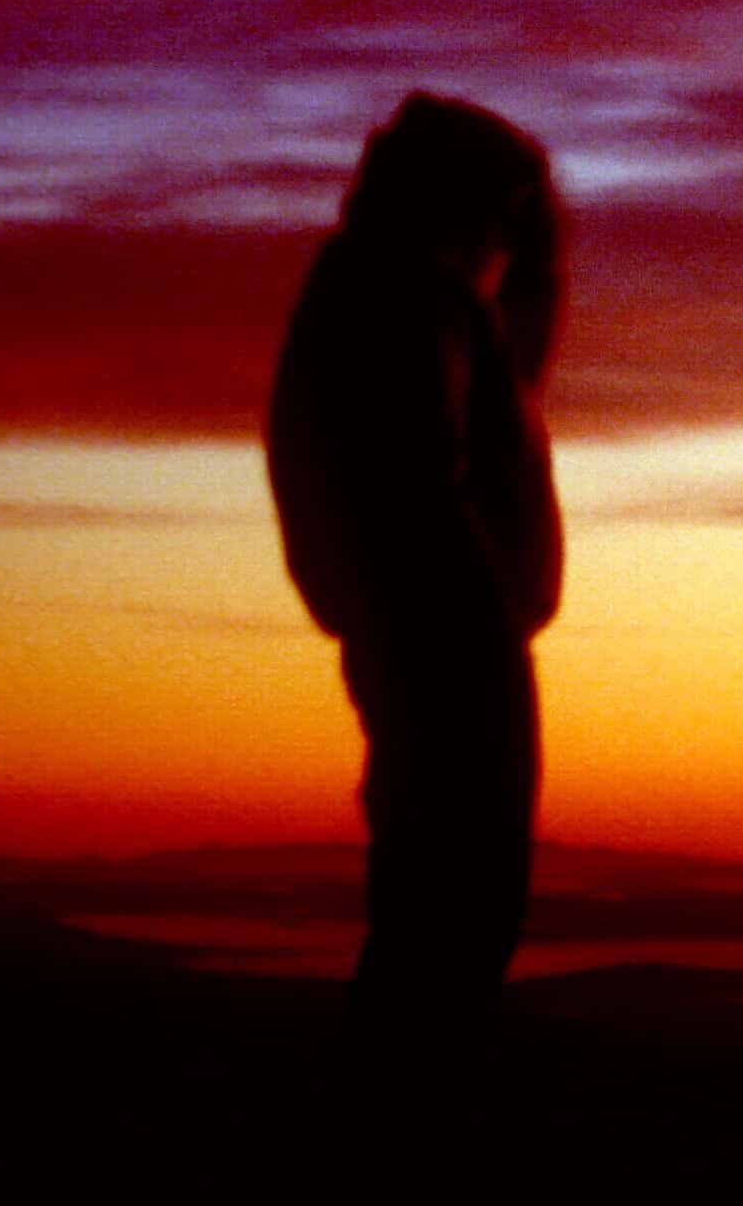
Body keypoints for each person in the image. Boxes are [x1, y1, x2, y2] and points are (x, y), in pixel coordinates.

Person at [264, 91, 568, 1101]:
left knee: (443, 913)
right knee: (453, 914)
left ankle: (400, 1117)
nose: (519, 234)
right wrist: (477, 622)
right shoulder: (401, 294)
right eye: (510, 207)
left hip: (442, 637)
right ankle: (396, 1129)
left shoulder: (410, 296)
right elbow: (414, 482)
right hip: (446, 647)